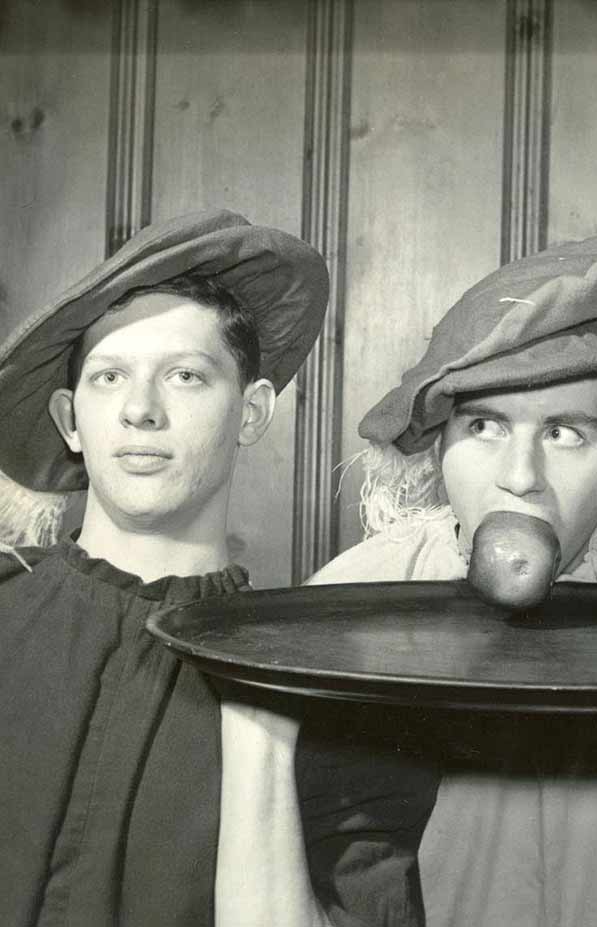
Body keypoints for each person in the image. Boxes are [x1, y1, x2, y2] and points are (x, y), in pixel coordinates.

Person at [216, 227, 597, 927]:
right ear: (441, 442)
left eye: (566, 433)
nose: (520, 478)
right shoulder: (343, 613)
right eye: (485, 427)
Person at [0, 210, 329, 927]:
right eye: (110, 375)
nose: (140, 410)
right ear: (69, 421)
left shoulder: (321, 681)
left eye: (185, 375)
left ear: (251, 412)